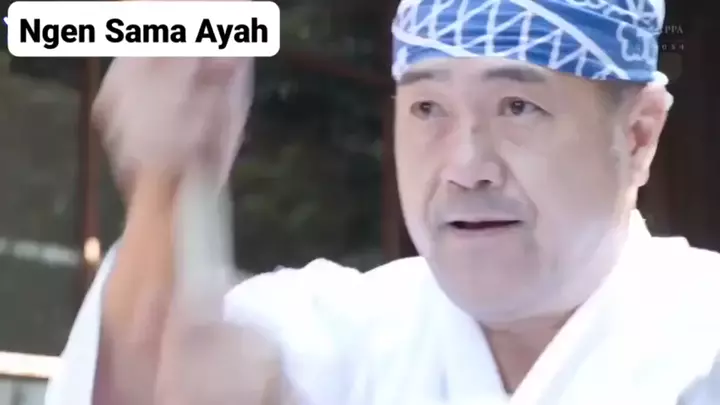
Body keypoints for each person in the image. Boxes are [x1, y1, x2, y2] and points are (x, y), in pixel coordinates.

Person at [45, 0, 720, 404]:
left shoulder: (703, 336)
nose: (465, 167)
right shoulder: (341, 336)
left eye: (518, 106)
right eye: (428, 108)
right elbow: (156, 375)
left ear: (637, 135)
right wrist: (168, 178)